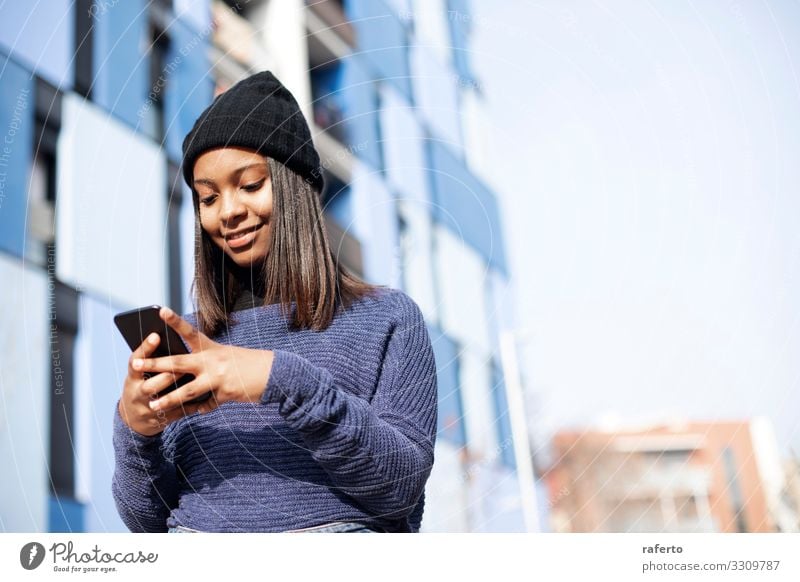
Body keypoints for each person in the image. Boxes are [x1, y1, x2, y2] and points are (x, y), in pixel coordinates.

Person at [111, 71, 438, 533]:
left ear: (295, 185)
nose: (227, 211)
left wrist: (279, 378)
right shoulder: (192, 344)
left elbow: (399, 487)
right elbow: (145, 522)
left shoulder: (386, 319)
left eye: (249, 185)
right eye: (208, 197)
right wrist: (135, 429)